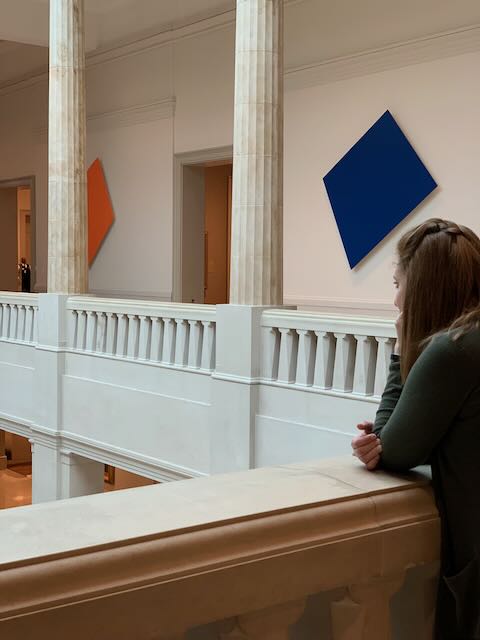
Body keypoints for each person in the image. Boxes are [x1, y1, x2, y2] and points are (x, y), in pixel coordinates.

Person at [351, 218, 480, 640]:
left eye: (397, 283)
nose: (396, 301)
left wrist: (401, 348)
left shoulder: (453, 349)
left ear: (423, 287)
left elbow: (394, 449)